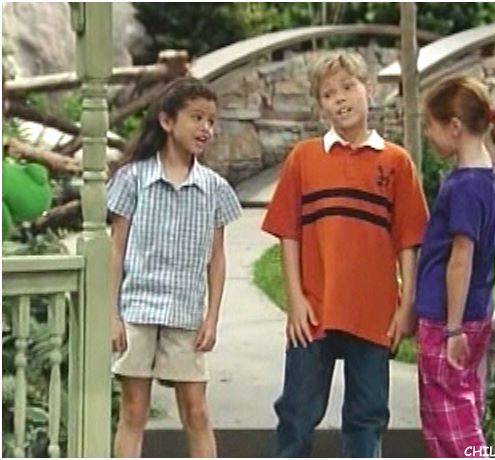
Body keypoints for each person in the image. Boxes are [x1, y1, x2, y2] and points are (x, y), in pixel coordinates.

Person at [262, 51, 429, 457]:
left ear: (367, 90)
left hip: (374, 312)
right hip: (314, 311)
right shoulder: (304, 158)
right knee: (297, 411)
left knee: (367, 415)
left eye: (348, 87)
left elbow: (408, 240)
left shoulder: (396, 162)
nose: (340, 98)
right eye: (328, 93)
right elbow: (287, 233)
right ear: (320, 106)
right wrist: (295, 299)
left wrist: (406, 304)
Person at [107, 77, 241, 457]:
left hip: (185, 314)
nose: (206, 128)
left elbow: (217, 258)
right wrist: (113, 315)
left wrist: (212, 317)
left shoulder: (214, 188)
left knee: (196, 411)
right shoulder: (133, 179)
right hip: (137, 311)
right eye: (197, 117)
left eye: (211, 121)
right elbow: (116, 249)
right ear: (167, 121)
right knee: (132, 411)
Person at [414, 75, 495, 458]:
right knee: (456, 410)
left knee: (451, 423)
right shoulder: (487, 177)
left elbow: (460, 260)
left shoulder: (464, 186)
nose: (428, 135)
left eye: (430, 126)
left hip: (449, 321)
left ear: (454, 127)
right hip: (474, 314)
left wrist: (452, 329)